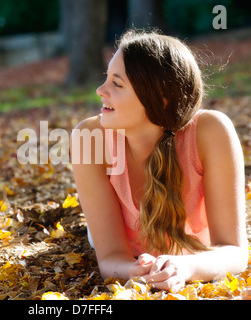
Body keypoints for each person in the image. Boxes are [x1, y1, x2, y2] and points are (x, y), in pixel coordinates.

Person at [70, 29, 248, 292]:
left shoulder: (211, 131)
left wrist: (186, 267)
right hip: (127, 250)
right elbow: (109, 258)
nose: (100, 90)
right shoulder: (89, 137)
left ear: (161, 98)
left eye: (117, 84)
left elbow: (234, 251)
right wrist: (136, 270)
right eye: (106, 78)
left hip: (196, 254)